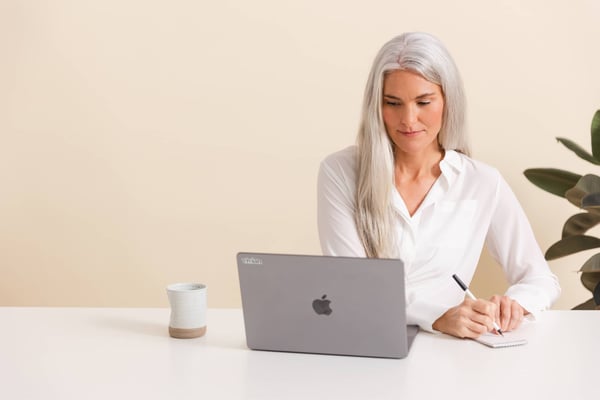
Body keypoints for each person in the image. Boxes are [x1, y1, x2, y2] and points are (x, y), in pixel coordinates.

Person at [317, 32, 560, 339]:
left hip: (450, 353)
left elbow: (541, 279)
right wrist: (437, 316)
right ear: (376, 106)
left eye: (423, 102)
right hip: (367, 344)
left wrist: (514, 304)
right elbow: (351, 285)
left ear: (448, 101)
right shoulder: (340, 172)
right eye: (393, 103)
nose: (408, 120)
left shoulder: (481, 182)